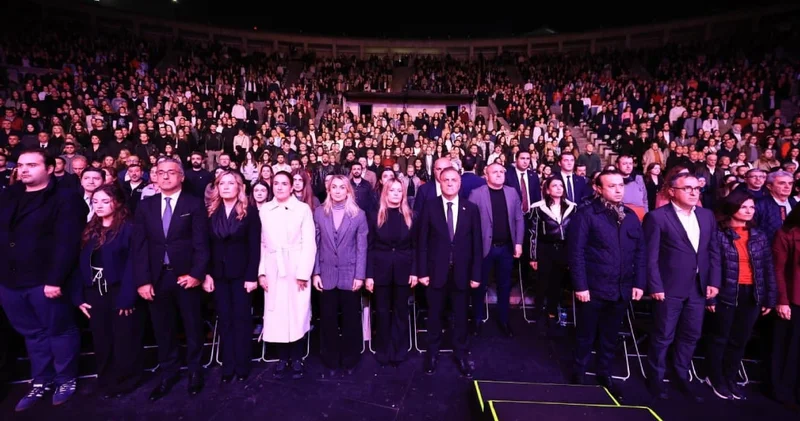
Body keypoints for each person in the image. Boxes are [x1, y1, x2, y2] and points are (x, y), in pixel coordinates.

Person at [0, 150, 87, 411]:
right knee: (32, 333)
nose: (24, 169)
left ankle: (65, 379)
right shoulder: (9, 195)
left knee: (59, 330)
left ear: (50, 168)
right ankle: (41, 380)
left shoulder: (66, 197)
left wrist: (55, 279)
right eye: (22, 165)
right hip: (10, 281)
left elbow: (68, 242)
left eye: (32, 165)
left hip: (46, 280)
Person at [132, 157, 210, 401]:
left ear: (181, 176)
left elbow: (202, 243)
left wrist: (197, 274)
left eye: (171, 172)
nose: (165, 176)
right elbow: (139, 246)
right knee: (163, 329)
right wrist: (143, 281)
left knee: (192, 326)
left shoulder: (194, 204)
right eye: (161, 172)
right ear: (154, 176)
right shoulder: (146, 206)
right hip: (156, 279)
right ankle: (169, 373)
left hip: (186, 277)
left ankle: (195, 372)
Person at [643, 172, 721, 402]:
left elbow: (713, 252)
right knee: (663, 336)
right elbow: (651, 257)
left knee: (690, 336)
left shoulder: (707, 216)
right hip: (668, 288)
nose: (694, 192)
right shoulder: (657, 217)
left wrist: (714, 281)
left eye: (696, 188)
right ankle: (655, 379)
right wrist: (655, 285)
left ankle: (681, 376)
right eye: (687, 188)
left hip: (698, 288)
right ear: (671, 191)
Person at [567, 170, 645, 397]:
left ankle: (604, 372)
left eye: (621, 185)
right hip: (593, 288)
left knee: (610, 336)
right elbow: (576, 253)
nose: (619, 190)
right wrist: (580, 286)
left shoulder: (631, 216)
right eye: (612, 186)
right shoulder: (586, 215)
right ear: (598, 189)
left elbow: (640, 252)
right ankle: (579, 372)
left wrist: (639, 283)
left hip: (622, 288)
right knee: (585, 334)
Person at [72, 184, 144, 398]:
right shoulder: (90, 228)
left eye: (105, 201)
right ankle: (105, 378)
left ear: (118, 202)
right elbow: (79, 263)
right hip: (95, 291)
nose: (99, 205)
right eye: (95, 201)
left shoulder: (129, 228)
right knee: (101, 338)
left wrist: (127, 298)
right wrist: (79, 296)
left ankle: (127, 380)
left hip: (120, 290)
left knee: (125, 338)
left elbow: (134, 264)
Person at [704, 191, 776, 400]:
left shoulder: (759, 234)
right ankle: (715, 377)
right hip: (726, 291)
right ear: (732, 207)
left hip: (752, 293)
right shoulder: (719, 233)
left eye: (751, 207)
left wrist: (770, 297)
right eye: (744, 206)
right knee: (720, 338)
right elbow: (712, 266)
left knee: (740, 340)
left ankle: (730, 378)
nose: (748, 211)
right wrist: (711, 296)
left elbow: (768, 268)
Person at [417, 168, 482, 378]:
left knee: (461, 316)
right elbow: (422, 242)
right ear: (440, 182)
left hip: (462, 273)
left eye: (454, 180)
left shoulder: (471, 209)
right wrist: (423, 272)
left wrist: (476, 275)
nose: (450, 183)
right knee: (434, 316)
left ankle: (462, 355)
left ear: (460, 183)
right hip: (436, 273)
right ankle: (432, 354)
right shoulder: (429, 206)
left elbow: (477, 245)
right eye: (446, 180)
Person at [202, 171, 261, 383]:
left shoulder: (250, 212)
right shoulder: (210, 211)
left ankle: (243, 364)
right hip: (217, 275)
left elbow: (255, 247)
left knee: (242, 319)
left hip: (242, 275)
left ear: (239, 187)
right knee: (224, 319)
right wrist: (206, 274)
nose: (226, 187)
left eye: (230, 183)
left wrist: (252, 275)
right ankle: (228, 365)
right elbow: (204, 246)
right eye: (221, 183)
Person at [258, 171, 316, 379]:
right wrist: (262, 272)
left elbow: (309, 242)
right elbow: (263, 243)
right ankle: (282, 357)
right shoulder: (265, 209)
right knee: (277, 313)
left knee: (297, 311)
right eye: (276, 183)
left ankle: (297, 356)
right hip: (274, 266)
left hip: (296, 265)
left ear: (292, 187)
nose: (280, 187)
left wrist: (303, 272)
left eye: (284, 183)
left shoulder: (302, 209)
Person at [312, 175, 369, 377]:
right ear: (329, 190)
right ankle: (330, 359)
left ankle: (350, 359)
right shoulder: (319, 213)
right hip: (326, 274)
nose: (337, 191)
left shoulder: (359, 215)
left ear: (348, 191)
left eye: (342, 187)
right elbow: (315, 246)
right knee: (327, 319)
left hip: (350, 274)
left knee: (351, 319)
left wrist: (360, 276)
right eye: (334, 187)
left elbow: (362, 248)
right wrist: (316, 272)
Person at [366, 179, 417, 367]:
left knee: (401, 311)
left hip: (404, 270)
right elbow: (369, 248)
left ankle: (399, 349)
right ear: (385, 193)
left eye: (399, 190)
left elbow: (415, 247)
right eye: (392, 190)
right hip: (380, 271)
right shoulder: (374, 216)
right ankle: (383, 349)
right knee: (381, 311)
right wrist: (369, 275)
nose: (396, 193)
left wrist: (414, 271)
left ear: (403, 194)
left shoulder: (411, 216)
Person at [468, 162, 523, 336]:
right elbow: (469, 223)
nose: (499, 174)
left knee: (504, 286)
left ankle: (504, 320)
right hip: (484, 249)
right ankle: (476, 320)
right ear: (486, 174)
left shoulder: (512, 192)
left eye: (501, 171)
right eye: (495, 171)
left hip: (506, 248)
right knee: (479, 285)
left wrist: (518, 243)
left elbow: (519, 219)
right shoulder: (476, 194)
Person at [529, 176, 578, 334]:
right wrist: (533, 256)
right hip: (545, 249)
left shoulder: (573, 207)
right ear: (548, 190)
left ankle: (552, 312)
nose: (558, 188)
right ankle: (538, 312)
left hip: (564, 249)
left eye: (560, 186)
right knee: (542, 282)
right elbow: (533, 234)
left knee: (557, 283)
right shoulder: (537, 207)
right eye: (554, 186)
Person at [771, 207, 800, 410]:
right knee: (789, 348)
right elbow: (778, 269)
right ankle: (782, 391)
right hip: (793, 299)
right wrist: (782, 300)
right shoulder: (787, 233)